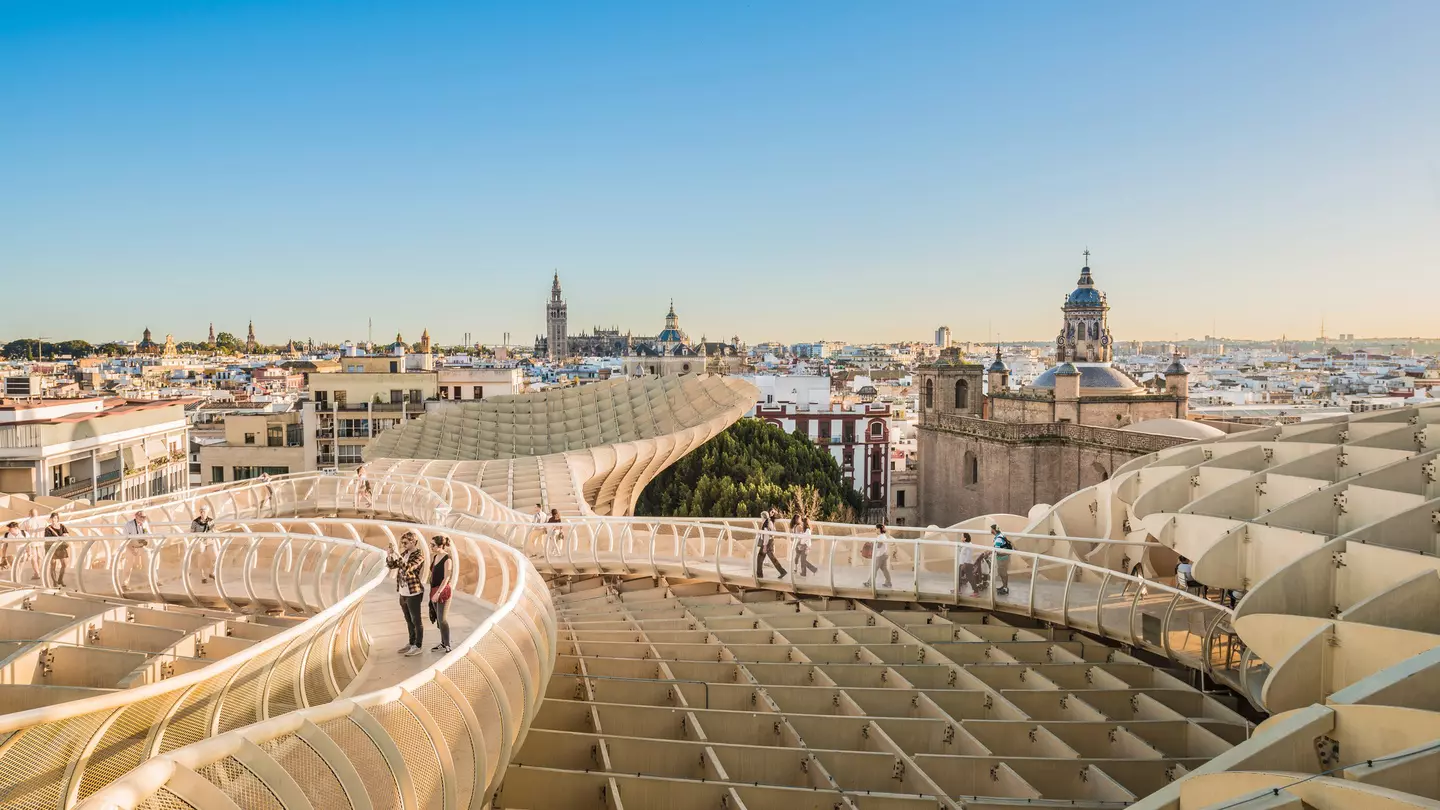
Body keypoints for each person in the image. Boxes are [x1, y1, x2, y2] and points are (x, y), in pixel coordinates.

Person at [386, 531, 426, 656]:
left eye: (405, 543)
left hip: (413, 592)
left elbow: (408, 567)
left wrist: (398, 555)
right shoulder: (405, 553)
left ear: (413, 542)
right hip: (403, 592)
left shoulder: (419, 555)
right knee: (408, 620)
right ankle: (411, 643)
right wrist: (390, 555)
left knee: (416, 620)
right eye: (402, 543)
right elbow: (392, 565)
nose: (403, 545)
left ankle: (418, 646)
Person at [429, 534, 455, 653]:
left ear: (441, 546)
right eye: (430, 544)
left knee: (442, 619)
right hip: (434, 590)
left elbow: (446, 578)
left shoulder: (447, 559)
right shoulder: (435, 557)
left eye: (433, 545)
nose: (431, 547)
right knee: (439, 620)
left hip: (443, 592)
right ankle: (443, 643)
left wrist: (438, 593)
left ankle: (448, 645)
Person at [120, 510, 152, 588]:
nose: (143, 518)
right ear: (136, 516)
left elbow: (148, 534)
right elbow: (125, 538)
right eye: (141, 517)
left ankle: (153, 581)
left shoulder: (145, 524)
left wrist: (146, 543)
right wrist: (131, 549)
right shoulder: (129, 525)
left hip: (141, 546)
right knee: (128, 565)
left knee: (149, 561)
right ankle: (124, 583)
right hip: (131, 546)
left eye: (144, 517)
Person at [754, 510, 787, 579]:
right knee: (772, 558)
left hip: (766, 543)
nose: (761, 519)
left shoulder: (766, 525)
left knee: (760, 558)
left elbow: (766, 535)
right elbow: (773, 530)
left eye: (761, 517)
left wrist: (765, 546)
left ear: (763, 517)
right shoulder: (770, 522)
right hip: (770, 542)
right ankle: (782, 571)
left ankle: (759, 575)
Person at [191, 505, 217, 584]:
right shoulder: (195, 522)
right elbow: (191, 532)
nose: (202, 513)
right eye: (201, 511)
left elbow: (213, 530)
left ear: (207, 512)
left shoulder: (211, 521)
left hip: (209, 540)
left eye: (204, 511)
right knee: (201, 558)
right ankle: (202, 576)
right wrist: (198, 537)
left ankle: (212, 573)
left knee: (215, 557)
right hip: (200, 541)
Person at [44, 511, 71, 587]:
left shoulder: (62, 526)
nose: (54, 519)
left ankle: (60, 579)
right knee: (53, 565)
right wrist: (60, 537)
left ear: (57, 519)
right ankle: (54, 582)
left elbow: (67, 534)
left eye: (55, 518)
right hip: (52, 548)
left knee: (64, 564)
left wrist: (65, 536)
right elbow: (48, 539)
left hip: (61, 547)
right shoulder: (48, 529)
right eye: (52, 518)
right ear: (50, 519)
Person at [18, 508, 45, 581]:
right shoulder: (43, 521)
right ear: (37, 513)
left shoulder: (26, 522)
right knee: (39, 557)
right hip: (41, 542)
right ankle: (37, 572)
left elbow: (21, 532)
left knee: (34, 558)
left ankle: (37, 573)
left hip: (31, 542)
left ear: (29, 514)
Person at [863, 523, 892, 588]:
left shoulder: (881, 536)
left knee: (874, 569)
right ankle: (888, 583)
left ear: (879, 529)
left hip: (881, 555)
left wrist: (871, 544)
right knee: (884, 569)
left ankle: (869, 583)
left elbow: (879, 545)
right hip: (884, 554)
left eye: (875, 529)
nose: (875, 530)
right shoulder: (883, 536)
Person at [990, 524, 1012, 595]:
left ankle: (1005, 588)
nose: (990, 531)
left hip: (1003, 558)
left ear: (994, 530)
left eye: (991, 529)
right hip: (1003, 558)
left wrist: (989, 552)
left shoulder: (998, 539)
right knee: (1002, 573)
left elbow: (997, 550)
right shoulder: (1000, 535)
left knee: (1003, 573)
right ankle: (1004, 586)